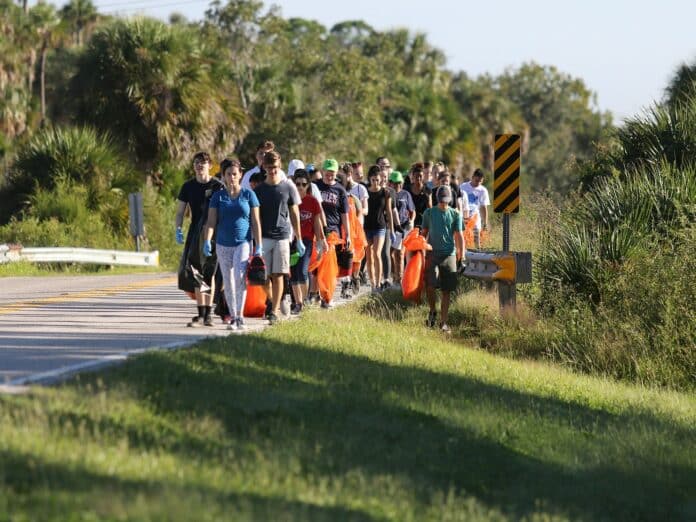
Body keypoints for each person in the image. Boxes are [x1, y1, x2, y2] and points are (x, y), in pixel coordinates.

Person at [202, 158, 262, 330]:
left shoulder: (249, 194)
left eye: (235, 174)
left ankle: (239, 316)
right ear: (224, 176)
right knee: (227, 281)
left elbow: (256, 221)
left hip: (243, 242)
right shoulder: (218, 197)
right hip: (222, 243)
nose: (232, 177)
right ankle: (233, 315)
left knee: (240, 277)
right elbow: (211, 221)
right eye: (228, 174)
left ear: (240, 175)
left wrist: (259, 245)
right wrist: (207, 240)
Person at [253, 151, 303, 325]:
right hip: (264, 238)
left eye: (275, 167)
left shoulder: (288, 187)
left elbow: (294, 213)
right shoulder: (259, 190)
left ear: (279, 166)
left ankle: (273, 310)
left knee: (278, 274)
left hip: (282, 236)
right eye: (269, 167)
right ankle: (273, 299)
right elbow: (255, 217)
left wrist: (299, 238)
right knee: (263, 276)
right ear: (264, 168)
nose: (272, 170)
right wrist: (256, 241)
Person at [175, 151, 223, 327]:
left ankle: (209, 312)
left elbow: (223, 210)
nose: (199, 165)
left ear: (210, 165)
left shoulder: (218, 186)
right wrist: (178, 229)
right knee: (196, 272)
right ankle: (201, 313)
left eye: (203, 162)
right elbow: (180, 211)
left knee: (209, 272)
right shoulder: (188, 187)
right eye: (196, 162)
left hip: (213, 232)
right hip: (195, 232)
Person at [421, 185, 465, 333]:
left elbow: (459, 236)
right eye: (441, 201)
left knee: (447, 290)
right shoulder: (429, 213)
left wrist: (462, 256)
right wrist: (419, 250)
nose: (443, 204)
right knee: (430, 286)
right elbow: (424, 233)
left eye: (446, 201)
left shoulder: (455, 214)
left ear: (450, 200)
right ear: (437, 199)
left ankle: (443, 322)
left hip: (449, 254)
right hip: (432, 254)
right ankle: (433, 310)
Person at [289, 169, 328, 314]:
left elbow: (317, 224)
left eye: (303, 184)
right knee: (293, 272)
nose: (300, 187)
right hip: (292, 240)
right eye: (297, 184)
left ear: (308, 185)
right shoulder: (289, 200)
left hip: (306, 240)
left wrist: (321, 241)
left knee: (303, 270)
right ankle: (298, 303)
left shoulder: (312, 201)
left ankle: (305, 301)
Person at [314, 158, 351, 307]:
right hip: (316, 230)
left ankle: (327, 295)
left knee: (329, 265)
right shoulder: (315, 186)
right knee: (316, 265)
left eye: (332, 173)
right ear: (322, 171)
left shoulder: (340, 190)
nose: (330, 176)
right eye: (327, 173)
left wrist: (347, 235)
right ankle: (315, 294)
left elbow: (344, 214)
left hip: (333, 232)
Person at [363, 165, 394, 292]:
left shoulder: (386, 193)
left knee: (377, 253)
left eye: (378, 179)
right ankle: (373, 284)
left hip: (380, 227)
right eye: (373, 180)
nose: (375, 182)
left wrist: (391, 230)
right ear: (369, 179)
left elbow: (389, 211)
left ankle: (379, 283)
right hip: (367, 227)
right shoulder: (366, 191)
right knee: (369, 255)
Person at [389, 170, 415, 286]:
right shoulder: (388, 193)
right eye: (394, 183)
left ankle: (398, 279)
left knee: (399, 253)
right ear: (390, 183)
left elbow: (412, 210)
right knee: (389, 253)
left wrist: (411, 220)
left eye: (399, 182)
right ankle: (392, 274)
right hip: (390, 227)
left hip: (403, 227)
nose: (397, 185)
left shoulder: (406, 194)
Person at [376, 156, 395, 289]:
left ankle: (386, 279)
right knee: (372, 253)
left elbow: (393, 211)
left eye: (387, 167)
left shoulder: (391, 191)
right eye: (382, 166)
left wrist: (394, 228)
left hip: (386, 225)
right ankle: (374, 279)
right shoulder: (371, 188)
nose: (384, 170)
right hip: (373, 225)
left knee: (385, 252)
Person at [459, 168, 490, 249]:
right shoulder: (463, 187)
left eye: (480, 181)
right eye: (476, 180)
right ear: (472, 177)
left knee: (476, 235)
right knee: (463, 236)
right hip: (463, 216)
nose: (478, 183)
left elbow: (484, 207)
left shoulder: (483, 191)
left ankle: (478, 251)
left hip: (475, 217)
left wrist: (485, 223)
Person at [408, 162, 432, 229]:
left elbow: (430, 209)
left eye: (420, 176)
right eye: (416, 176)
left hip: (422, 223)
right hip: (409, 222)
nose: (418, 178)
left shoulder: (427, 190)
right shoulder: (407, 190)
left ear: (423, 176)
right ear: (413, 176)